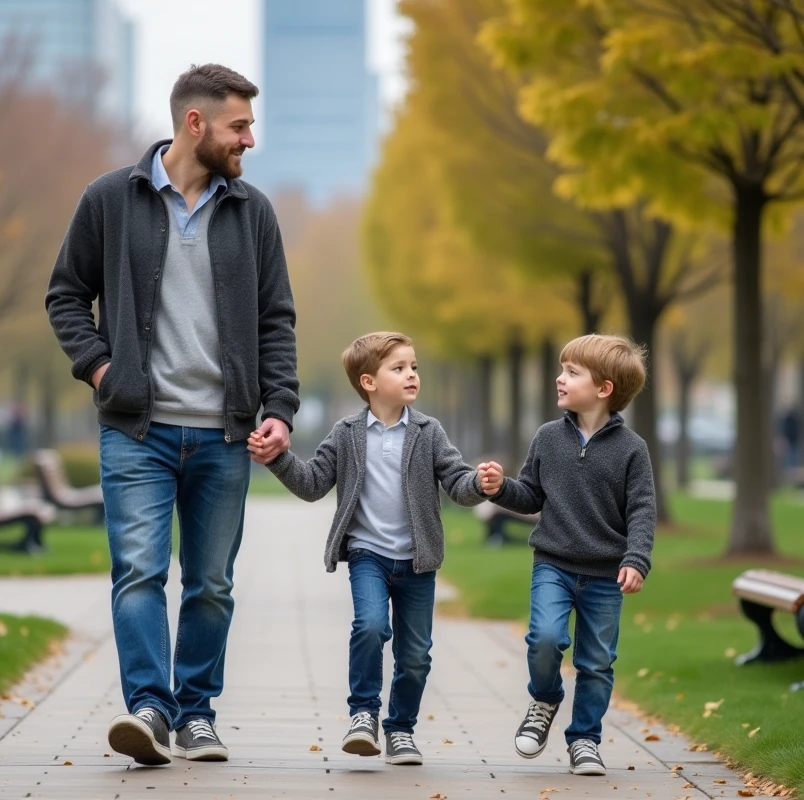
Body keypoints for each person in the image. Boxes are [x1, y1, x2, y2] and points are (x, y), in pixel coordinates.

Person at [45, 64, 298, 767]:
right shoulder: (109, 200)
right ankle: (151, 709)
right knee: (139, 573)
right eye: (239, 125)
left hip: (225, 433)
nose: (251, 137)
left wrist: (279, 406)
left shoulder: (254, 213)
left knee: (212, 584)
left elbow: (276, 320)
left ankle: (197, 714)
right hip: (137, 430)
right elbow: (66, 295)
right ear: (196, 124)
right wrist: (103, 370)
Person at [254, 332, 499, 766]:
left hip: (417, 560)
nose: (411, 375)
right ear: (369, 382)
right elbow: (312, 484)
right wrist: (278, 459)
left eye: (414, 367)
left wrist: (479, 484)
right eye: (399, 368)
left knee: (415, 655)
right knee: (369, 627)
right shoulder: (346, 433)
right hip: (368, 554)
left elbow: (457, 483)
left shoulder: (428, 431)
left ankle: (401, 730)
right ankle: (363, 714)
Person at [479, 334, 656, 776]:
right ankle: (545, 699)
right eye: (561, 369)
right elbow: (531, 496)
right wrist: (501, 488)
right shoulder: (546, 438)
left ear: (604, 388)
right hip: (553, 565)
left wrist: (636, 559)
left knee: (596, 662)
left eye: (572, 372)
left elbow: (642, 510)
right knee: (544, 639)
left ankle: (585, 741)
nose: (559, 379)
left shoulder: (632, 450)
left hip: (605, 575)